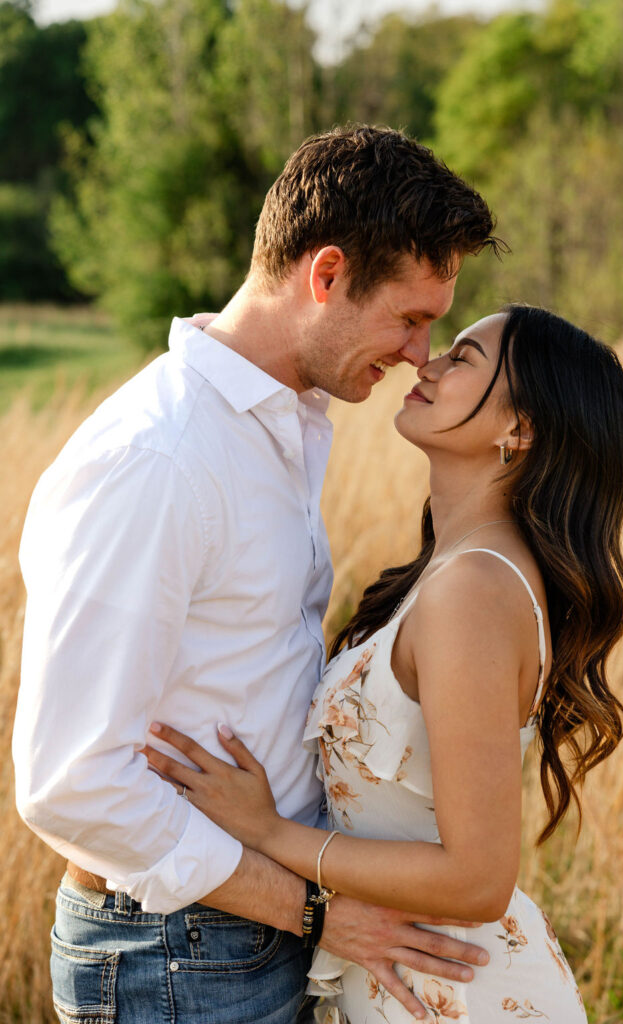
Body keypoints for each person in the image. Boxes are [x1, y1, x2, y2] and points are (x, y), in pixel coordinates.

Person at [12, 125, 501, 1024]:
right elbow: (70, 780)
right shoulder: (159, 458)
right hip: (175, 954)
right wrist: (308, 909)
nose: (418, 355)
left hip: (237, 934)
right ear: (325, 276)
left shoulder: (284, 423)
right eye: (409, 316)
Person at [142, 304, 623, 1022]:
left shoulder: (472, 589)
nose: (426, 362)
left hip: (456, 991)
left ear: (518, 430)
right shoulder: (462, 570)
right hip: (411, 970)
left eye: (464, 358)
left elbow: (477, 879)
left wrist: (269, 833)